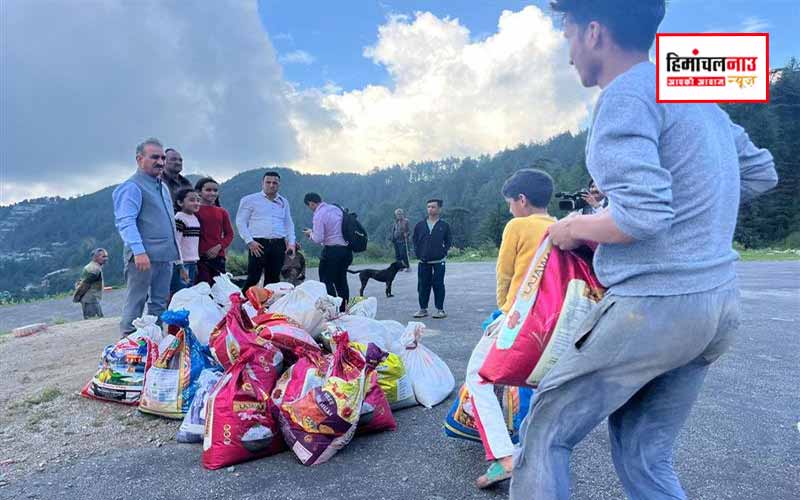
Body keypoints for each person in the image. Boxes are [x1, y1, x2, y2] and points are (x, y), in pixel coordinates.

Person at [510, 2, 778, 499]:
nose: (568, 54)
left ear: (594, 33)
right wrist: (698, 211)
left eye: (568, 35)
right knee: (643, 452)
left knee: (545, 433)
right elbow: (762, 173)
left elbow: (643, 216)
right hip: (718, 306)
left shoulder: (624, 95)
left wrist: (573, 227)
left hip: (654, 307)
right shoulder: (696, 99)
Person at [467, 169, 556, 489]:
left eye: (510, 203)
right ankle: (537, 451)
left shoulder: (517, 226)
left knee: (478, 377)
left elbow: (504, 274)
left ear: (522, 200)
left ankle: (504, 457)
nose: (509, 209)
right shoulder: (560, 227)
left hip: (517, 318)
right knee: (538, 384)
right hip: (550, 323)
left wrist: (504, 309)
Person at [113, 137, 181, 335]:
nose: (160, 162)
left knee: (159, 302)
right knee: (137, 301)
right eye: (154, 157)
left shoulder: (163, 187)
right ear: (139, 159)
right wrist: (138, 251)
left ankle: (155, 339)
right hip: (143, 257)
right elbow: (126, 221)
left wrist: (178, 258)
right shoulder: (132, 187)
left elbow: (168, 223)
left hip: (165, 257)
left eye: (162, 158)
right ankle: (128, 342)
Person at [235, 171, 297, 292]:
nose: (271, 185)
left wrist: (291, 243)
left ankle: (269, 303)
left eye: (275, 183)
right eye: (268, 182)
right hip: (258, 243)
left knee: (274, 279)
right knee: (253, 277)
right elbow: (240, 221)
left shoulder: (283, 201)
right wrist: (249, 241)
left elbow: (288, 223)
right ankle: (243, 302)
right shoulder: (250, 200)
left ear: (279, 184)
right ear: (262, 183)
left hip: (278, 243)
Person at [302, 192, 351, 311]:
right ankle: (344, 309)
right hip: (346, 251)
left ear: (311, 203)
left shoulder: (319, 214)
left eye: (309, 206)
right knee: (341, 280)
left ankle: (332, 309)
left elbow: (318, 238)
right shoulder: (336, 209)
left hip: (332, 251)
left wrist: (310, 234)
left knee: (326, 281)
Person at [412, 199, 451, 319]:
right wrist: (418, 253)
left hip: (439, 261)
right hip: (423, 261)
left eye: (433, 207)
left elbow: (448, 241)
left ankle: (440, 310)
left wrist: (443, 252)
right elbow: (415, 240)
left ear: (439, 209)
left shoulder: (444, 225)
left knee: (438, 285)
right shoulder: (420, 225)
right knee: (422, 285)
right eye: (428, 207)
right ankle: (423, 309)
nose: (430, 209)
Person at [194, 177, 234, 285]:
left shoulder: (222, 212)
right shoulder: (194, 211)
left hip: (218, 257)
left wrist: (219, 247)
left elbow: (229, 234)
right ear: (199, 192)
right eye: (208, 190)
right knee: (202, 288)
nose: (212, 193)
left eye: (215, 190)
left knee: (219, 288)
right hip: (198, 258)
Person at [171, 188, 202, 294]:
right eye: (192, 200)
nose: (196, 203)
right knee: (181, 294)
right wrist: (180, 265)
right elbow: (176, 243)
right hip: (183, 263)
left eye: (198, 200)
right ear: (180, 202)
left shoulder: (194, 218)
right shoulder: (179, 218)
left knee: (189, 293)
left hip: (192, 262)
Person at [72, 248, 109, 319]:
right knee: (95, 321)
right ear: (95, 257)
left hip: (90, 299)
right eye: (103, 256)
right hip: (90, 300)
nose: (106, 259)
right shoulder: (94, 269)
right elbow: (85, 285)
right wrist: (77, 297)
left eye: (106, 256)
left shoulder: (90, 267)